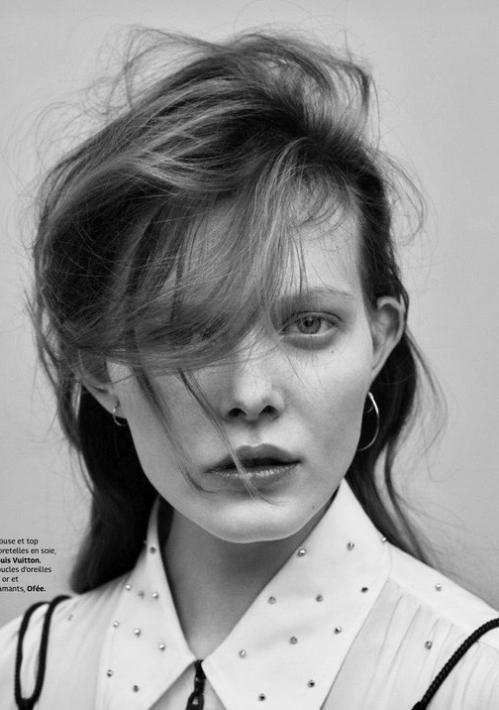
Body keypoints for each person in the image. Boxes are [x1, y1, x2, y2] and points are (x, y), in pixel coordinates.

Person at [1, 28, 498, 710]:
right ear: (99, 372)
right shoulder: (19, 679)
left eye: (308, 324)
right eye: (187, 333)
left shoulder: (475, 683)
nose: (249, 395)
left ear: (378, 342)